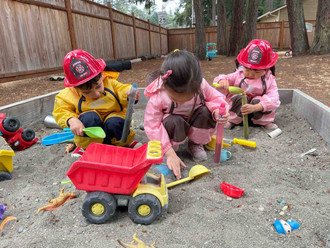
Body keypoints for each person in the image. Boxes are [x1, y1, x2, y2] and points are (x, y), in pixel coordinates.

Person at [144, 50, 229, 179]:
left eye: (186, 98)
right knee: (173, 121)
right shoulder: (159, 95)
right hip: (174, 124)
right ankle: (173, 149)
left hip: (195, 118)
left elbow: (214, 98)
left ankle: (195, 143)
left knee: (206, 112)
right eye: (176, 98)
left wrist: (218, 111)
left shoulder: (200, 85)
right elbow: (152, 125)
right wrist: (169, 153)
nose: (182, 101)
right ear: (166, 87)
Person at [53, 49, 141, 157]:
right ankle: (86, 147)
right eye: (87, 92)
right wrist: (71, 120)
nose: (96, 94)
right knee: (88, 119)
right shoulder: (70, 94)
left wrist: (128, 93)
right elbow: (61, 109)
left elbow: (121, 89)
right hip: (92, 127)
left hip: (112, 117)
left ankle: (124, 142)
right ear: (75, 88)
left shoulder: (110, 83)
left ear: (102, 75)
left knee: (116, 122)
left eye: (98, 86)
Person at [213, 39, 280, 130]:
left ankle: (264, 122)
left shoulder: (269, 79)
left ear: (266, 68)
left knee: (258, 100)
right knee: (238, 98)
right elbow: (226, 78)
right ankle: (232, 120)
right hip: (239, 109)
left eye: (257, 71)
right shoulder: (238, 74)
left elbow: (274, 98)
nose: (251, 74)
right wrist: (222, 80)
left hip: (257, 109)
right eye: (247, 70)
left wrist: (257, 107)